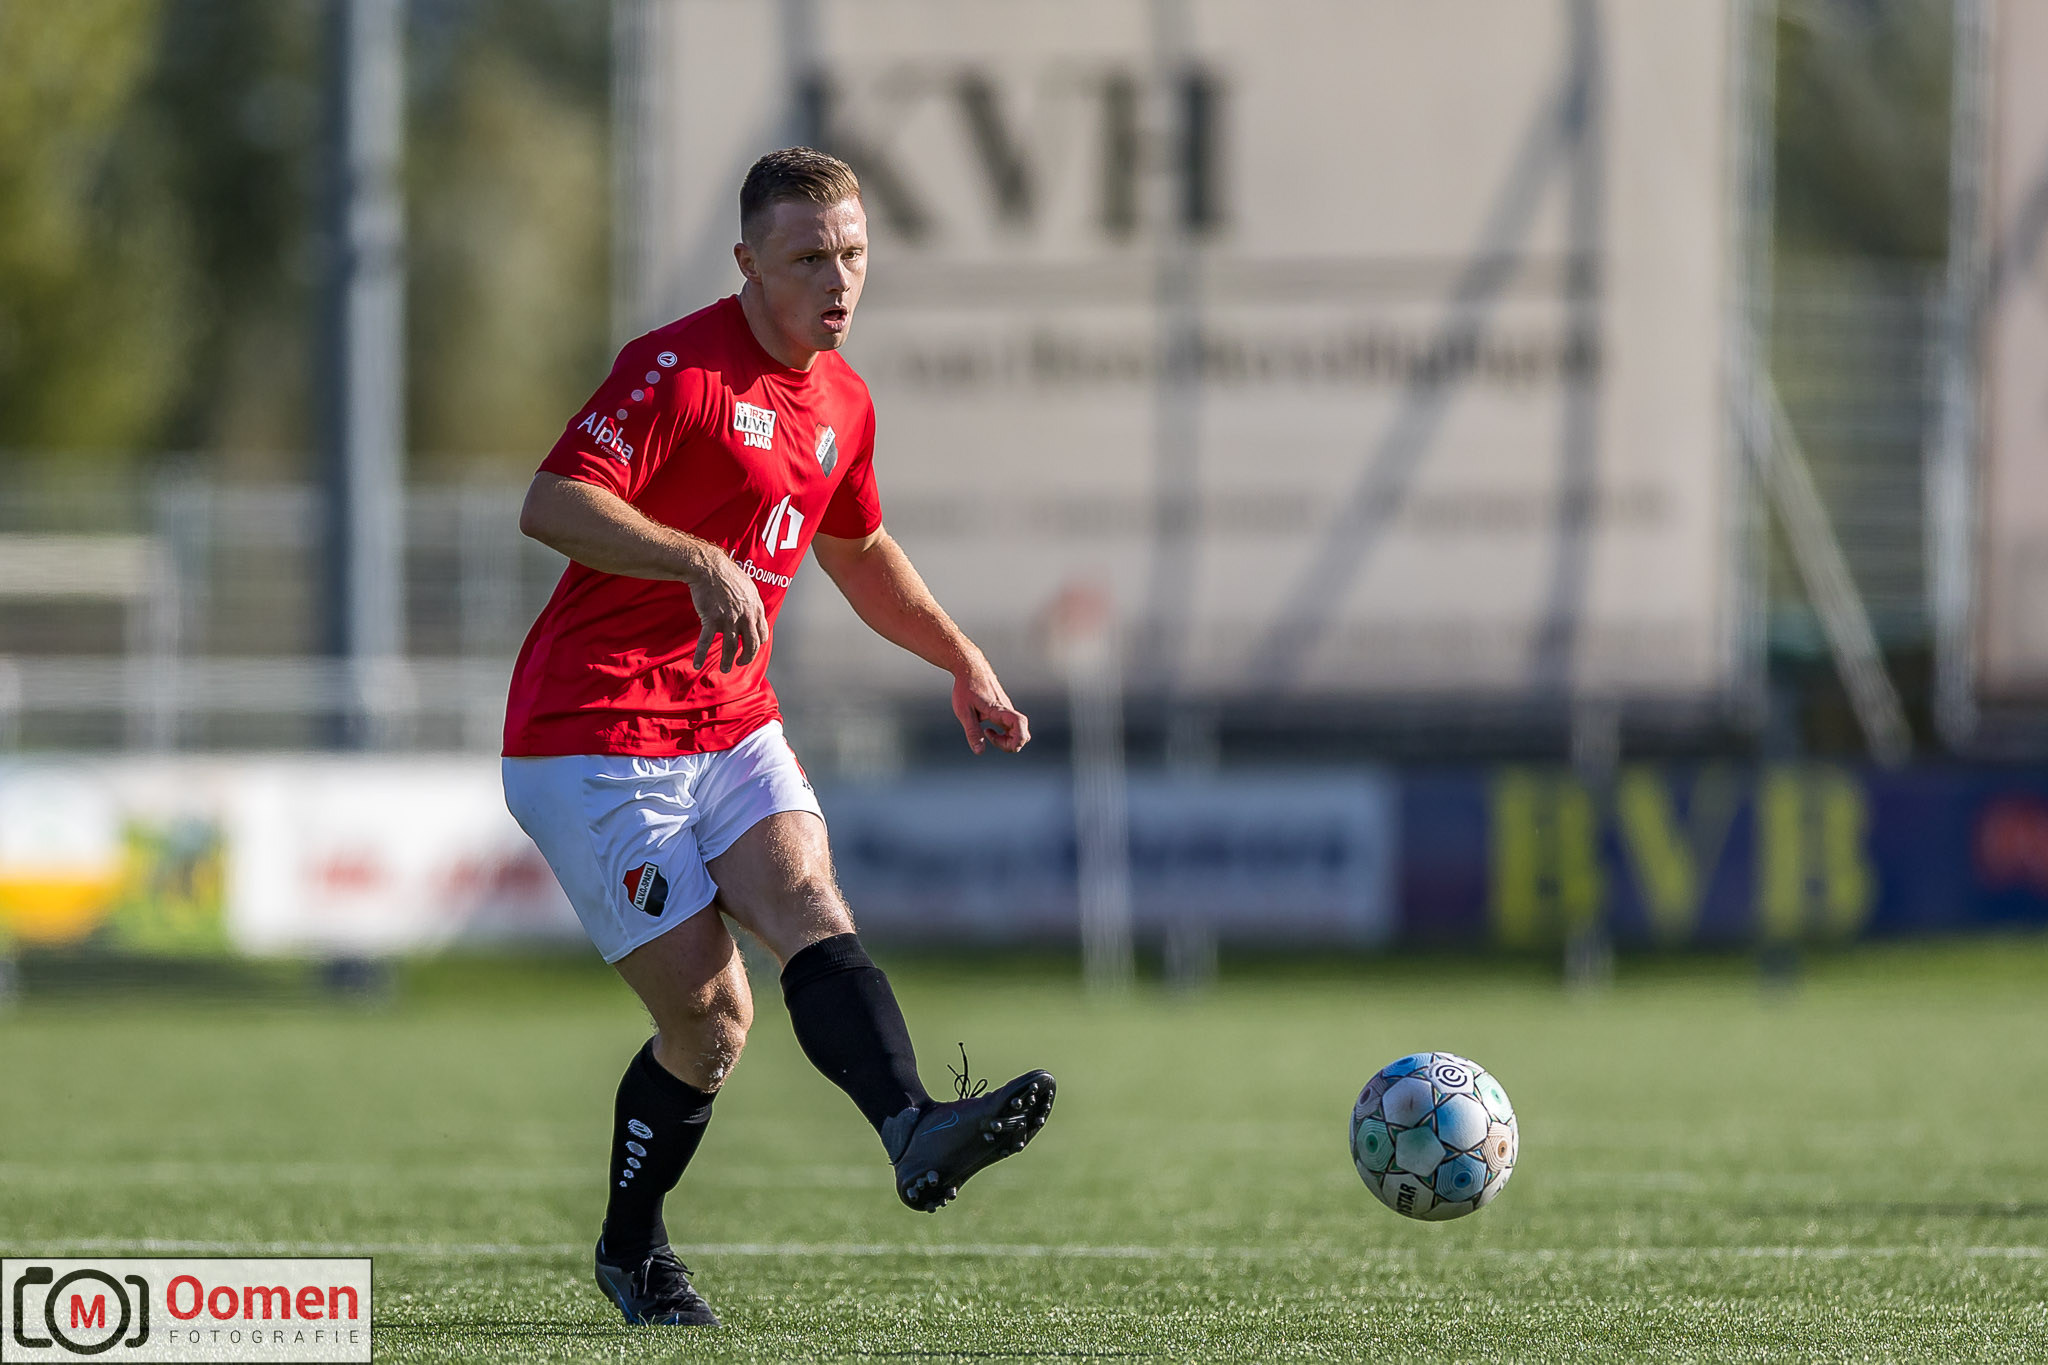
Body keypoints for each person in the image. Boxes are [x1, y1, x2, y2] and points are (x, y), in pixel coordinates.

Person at [501, 147, 1055, 1328]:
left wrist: (959, 659)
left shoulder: (844, 400)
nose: (836, 278)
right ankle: (630, 1251)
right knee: (711, 1023)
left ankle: (911, 1125)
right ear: (748, 263)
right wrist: (694, 559)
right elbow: (551, 502)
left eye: (851, 253)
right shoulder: (677, 370)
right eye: (808, 257)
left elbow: (856, 549)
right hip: (593, 733)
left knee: (808, 900)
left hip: (729, 720)